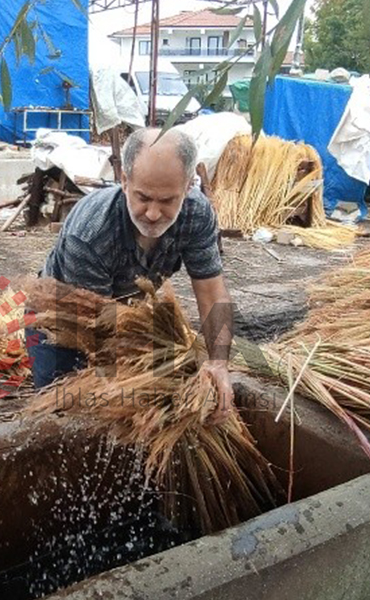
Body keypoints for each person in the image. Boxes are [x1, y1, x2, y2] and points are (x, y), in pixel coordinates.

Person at [29, 127, 235, 424]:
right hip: (66, 318)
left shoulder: (197, 215)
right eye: (143, 197)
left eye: (167, 200)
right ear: (124, 181)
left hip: (125, 311)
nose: (152, 213)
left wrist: (218, 363)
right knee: (63, 416)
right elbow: (98, 331)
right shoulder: (90, 232)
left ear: (189, 186)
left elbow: (212, 293)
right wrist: (134, 388)